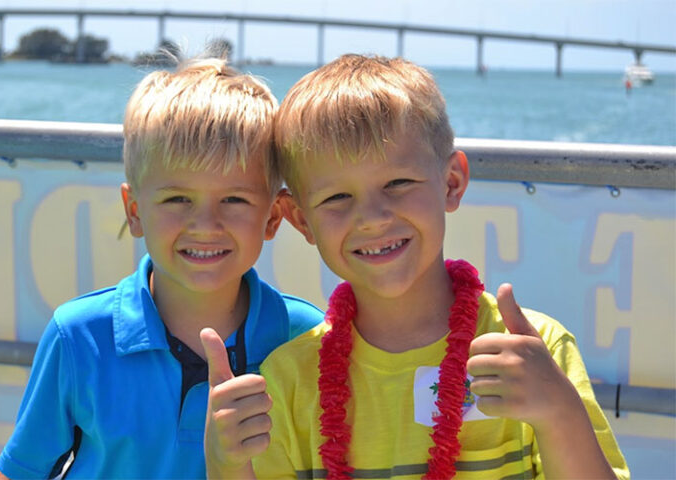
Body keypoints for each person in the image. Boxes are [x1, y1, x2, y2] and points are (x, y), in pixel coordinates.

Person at [206, 54, 629, 479]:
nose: (371, 216)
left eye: (397, 183)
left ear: (451, 183)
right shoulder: (285, 382)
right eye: (337, 198)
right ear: (301, 219)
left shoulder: (537, 353)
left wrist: (559, 412)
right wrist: (226, 463)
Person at [0, 57, 322, 479]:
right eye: (176, 199)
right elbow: (20, 472)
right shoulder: (78, 336)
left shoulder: (306, 339)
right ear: (134, 211)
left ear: (273, 217)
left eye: (234, 200)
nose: (205, 225)